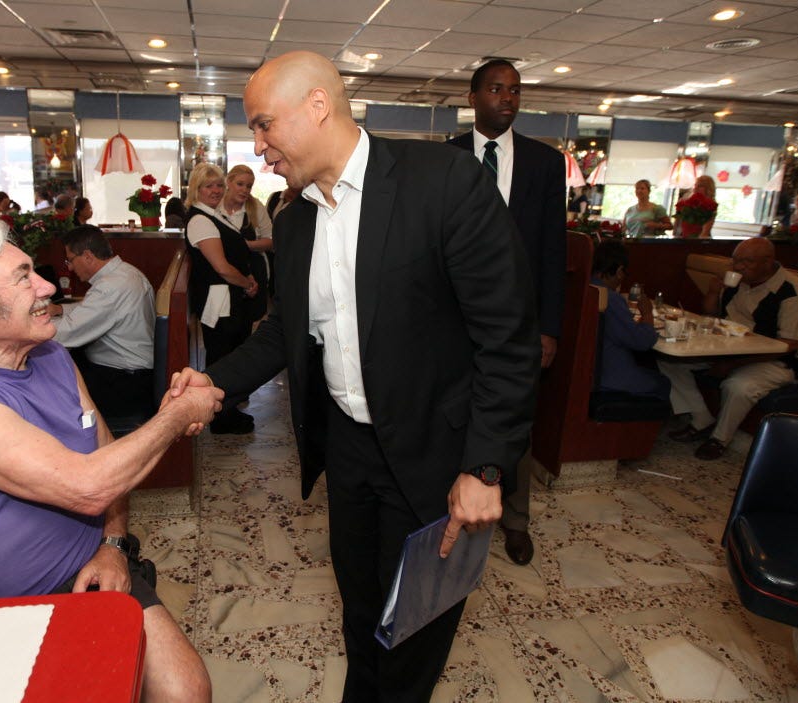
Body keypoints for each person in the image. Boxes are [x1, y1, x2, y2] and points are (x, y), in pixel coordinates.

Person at [172, 51, 539, 702]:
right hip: (348, 451)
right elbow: (284, 330)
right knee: (362, 612)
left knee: (415, 629)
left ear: (317, 106)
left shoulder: (444, 182)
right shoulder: (296, 221)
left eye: (263, 124)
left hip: (433, 452)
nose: (257, 147)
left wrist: (486, 467)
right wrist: (215, 382)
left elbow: (507, 340)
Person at [0, 221, 219, 703]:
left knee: (185, 690)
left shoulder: (50, 355)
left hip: (84, 566)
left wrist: (112, 545)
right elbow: (89, 486)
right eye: (24, 278)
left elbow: (106, 457)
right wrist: (178, 414)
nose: (47, 286)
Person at [448, 58, 565, 567]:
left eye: (515, 90)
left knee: (514, 418)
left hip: (520, 322)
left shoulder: (545, 162)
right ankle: (455, 509)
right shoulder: (446, 157)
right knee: (454, 414)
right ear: (473, 98)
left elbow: (553, 251)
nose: (507, 98)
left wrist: (549, 328)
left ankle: (515, 521)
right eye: (496, 89)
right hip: (454, 318)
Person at [659, 237, 798, 460]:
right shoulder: (736, 282)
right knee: (671, 361)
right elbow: (712, 314)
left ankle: (719, 439)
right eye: (735, 260)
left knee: (738, 386)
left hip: (777, 361)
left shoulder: (794, 292)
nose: (738, 267)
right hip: (729, 350)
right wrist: (713, 292)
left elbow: (790, 345)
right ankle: (701, 419)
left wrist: (732, 364)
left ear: (767, 262)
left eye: (746, 262)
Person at [46, 226, 155, 419]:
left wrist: (25, 326)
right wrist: (60, 309)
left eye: (70, 260)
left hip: (124, 382)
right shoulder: (125, 272)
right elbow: (97, 309)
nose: (70, 268)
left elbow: (67, 333)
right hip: (131, 373)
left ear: (88, 256)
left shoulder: (110, 286)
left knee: (53, 390)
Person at [184, 162, 259, 435]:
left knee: (228, 355)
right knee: (221, 359)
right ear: (197, 189)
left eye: (218, 185)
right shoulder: (200, 220)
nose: (215, 190)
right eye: (208, 186)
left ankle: (227, 410)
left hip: (228, 297)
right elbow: (222, 268)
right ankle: (221, 417)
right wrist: (247, 283)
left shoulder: (212, 215)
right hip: (219, 301)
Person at [591, 241, 669, 400]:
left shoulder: (586, 289)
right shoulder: (610, 299)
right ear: (619, 271)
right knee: (662, 382)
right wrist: (647, 314)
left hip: (589, 371)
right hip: (609, 378)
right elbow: (643, 342)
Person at [218, 164, 273, 321]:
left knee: (247, 323)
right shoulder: (216, 207)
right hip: (223, 275)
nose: (245, 190)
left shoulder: (255, 207)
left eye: (249, 186)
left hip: (254, 274)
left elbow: (271, 241)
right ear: (228, 182)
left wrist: (246, 245)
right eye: (240, 184)